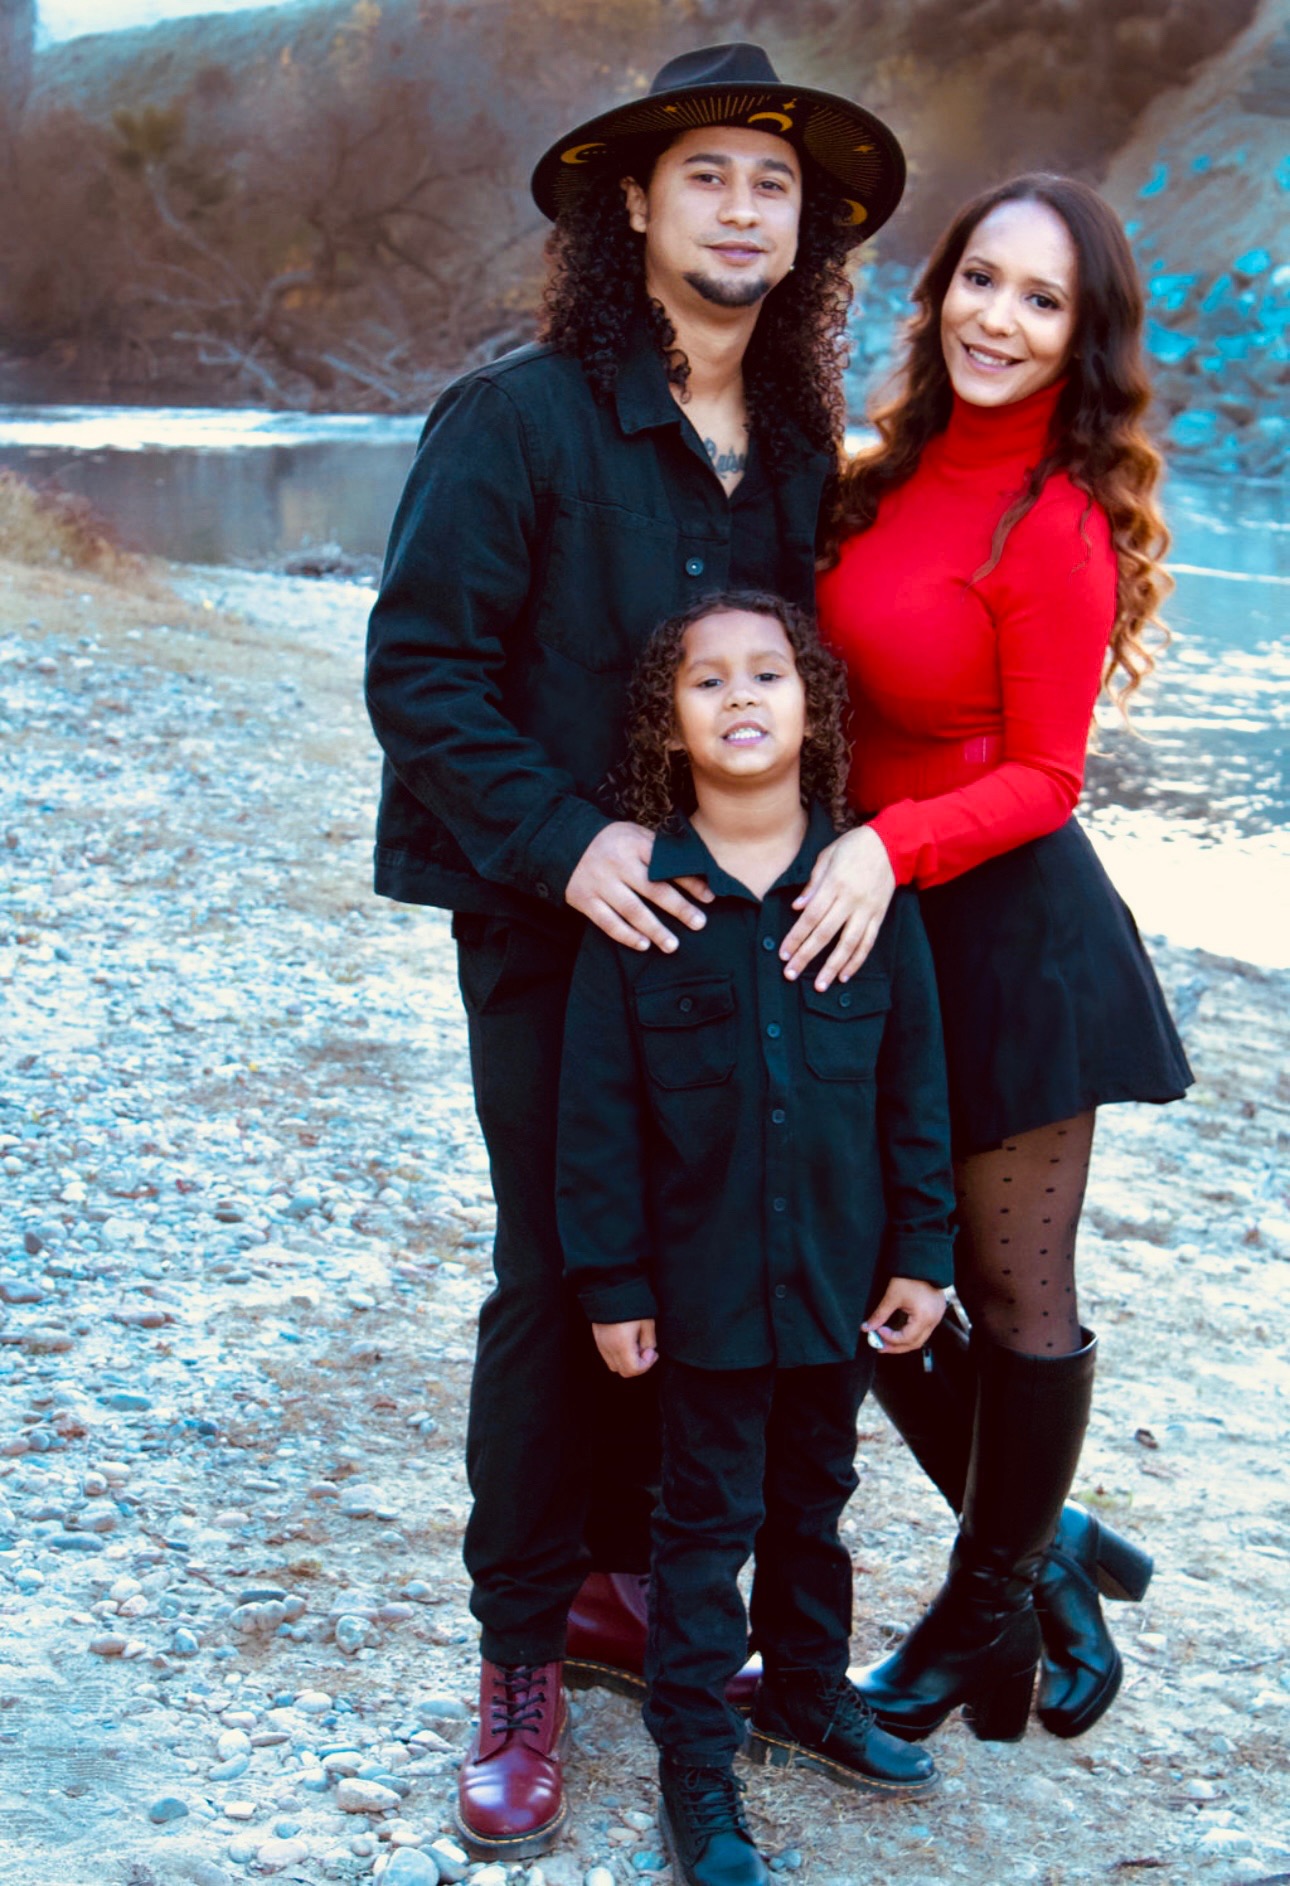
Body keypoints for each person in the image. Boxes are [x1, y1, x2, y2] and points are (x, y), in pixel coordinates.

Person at [363, 42, 906, 1859]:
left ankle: (624, 1586)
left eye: (773, 183)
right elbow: (419, 671)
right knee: (559, 1269)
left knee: (713, 1262)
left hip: (732, 941)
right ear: (635, 206)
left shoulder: (802, 446)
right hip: (550, 925)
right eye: (707, 175)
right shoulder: (514, 420)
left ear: (803, 232)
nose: (742, 209)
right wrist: (572, 838)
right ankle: (521, 1652)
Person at [782, 172, 1192, 1744]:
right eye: (979, 279)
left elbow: (1045, 776)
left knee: (1011, 1285)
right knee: (850, 1261)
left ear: (1082, 338)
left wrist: (885, 845)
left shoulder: (1056, 522)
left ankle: (978, 1605)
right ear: (936, 287)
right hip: (868, 921)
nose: (997, 319)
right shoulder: (875, 478)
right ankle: (1043, 1552)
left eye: (1040, 299)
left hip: (1008, 933)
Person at [558, 592, 953, 1886]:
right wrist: (612, 1280)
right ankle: (693, 1756)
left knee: (816, 1501)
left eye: (767, 673)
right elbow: (597, 1116)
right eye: (706, 678)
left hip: (838, 1278)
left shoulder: (865, 893)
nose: (739, 694)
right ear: (666, 724)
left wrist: (924, 1249)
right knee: (703, 1520)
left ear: (813, 707)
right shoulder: (644, 909)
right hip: (704, 1289)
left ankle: (803, 1692)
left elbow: (915, 1089)